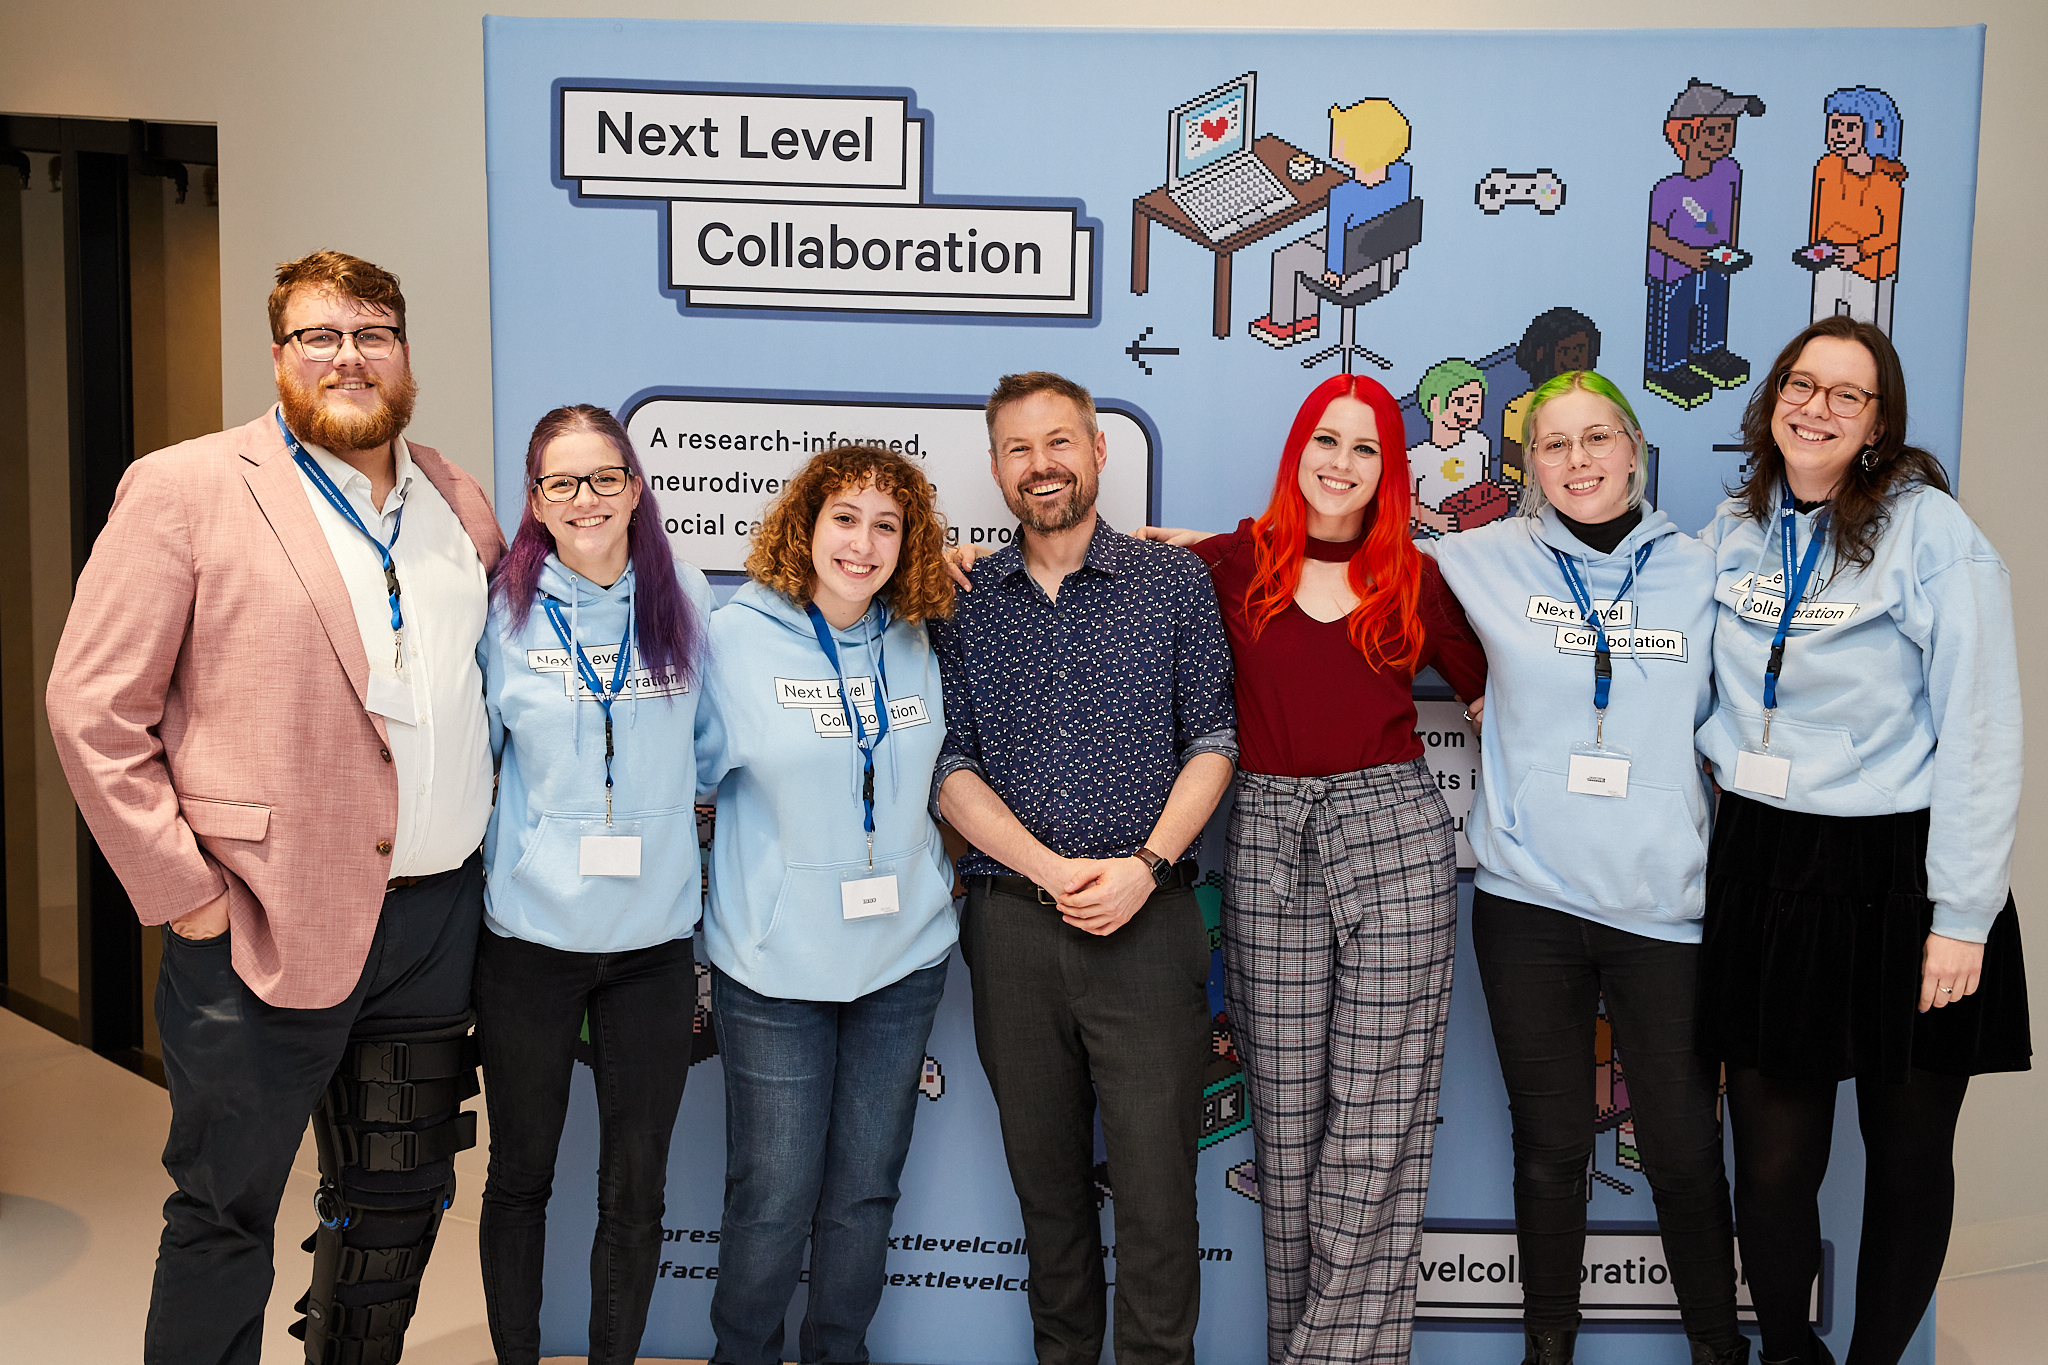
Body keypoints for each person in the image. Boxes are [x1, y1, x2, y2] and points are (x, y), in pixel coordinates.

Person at [46, 250, 503, 1365]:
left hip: (433, 921)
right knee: (223, 1211)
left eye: (372, 333)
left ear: (403, 351)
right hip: (257, 918)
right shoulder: (188, 486)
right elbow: (91, 708)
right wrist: (185, 895)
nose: (349, 356)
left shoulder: (452, 495)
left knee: (394, 1207)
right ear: (279, 356)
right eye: (320, 336)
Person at [1694, 316, 2032, 1365]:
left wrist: (1962, 919)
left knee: (1906, 1153)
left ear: (1879, 421)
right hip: (1762, 863)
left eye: (1848, 394)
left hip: (1903, 872)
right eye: (1802, 384)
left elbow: (1980, 727)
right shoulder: (1731, 528)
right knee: (1771, 1165)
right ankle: (1790, 1351)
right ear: (1771, 400)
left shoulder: (1930, 531)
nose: (1817, 408)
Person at [1135, 373, 1486, 1364]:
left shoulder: (1412, 577)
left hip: (1394, 836)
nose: (1341, 464)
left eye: (1365, 448)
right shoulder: (1228, 562)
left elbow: (1501, 686)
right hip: (1263, 837)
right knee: (1286, 1124)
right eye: (1324, 443)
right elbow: (1106, 577)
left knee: (1378, 1121)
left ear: (1388, 469)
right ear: (1297, 453)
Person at [1429, 370, 1744, 1365]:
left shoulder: (1702, 569)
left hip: (1664, 907)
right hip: (1527, 903)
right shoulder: (1477, 559)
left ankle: (1714, 1347)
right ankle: (1547, 1351)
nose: (1577, 461)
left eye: (1596, 438)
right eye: (1553, 445)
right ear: (1527, 465)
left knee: (1687, 1153)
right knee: (1550, 1149)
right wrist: (1189, 552)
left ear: (1635, 447)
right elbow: (1332, 558)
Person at [932, 372, 1237, 1365]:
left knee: (1155, 1196)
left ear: (1099, 451)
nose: (1040, 465)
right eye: (1017, 450)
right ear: (993, 469)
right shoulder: (960, 600)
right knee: (1047, 1197)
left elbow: (1214, 740)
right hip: (1011, 927)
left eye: (1058, 442)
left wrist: (1144, 866)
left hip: (1148, 926)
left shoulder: (1171, 583)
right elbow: (950, 765)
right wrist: (1049, 870)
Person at [695, 444, 960, 1365]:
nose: (864, 542)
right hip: (774, 967)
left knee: (864, 1190)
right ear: (805, 526)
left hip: (902, 959)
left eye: (888, 524)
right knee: (772, 1191)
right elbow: (679, 773)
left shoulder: (923, 634)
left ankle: (837, 1353)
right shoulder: (732, 639)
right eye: (845, 517)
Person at [473, 404, 712, 1364]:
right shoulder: (503, 609)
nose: (586, 499)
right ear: (535, 499)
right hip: (531, 942)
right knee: (521, 1174)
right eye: (562, 482)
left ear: (636, 486)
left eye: (604, 477)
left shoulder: (683, 594)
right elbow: (477, 762)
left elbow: (712, 754)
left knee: (636, 1186)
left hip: (652, 946)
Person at [1248, 98, 1414, 350]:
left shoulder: (1344, 196)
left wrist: (1334, 272)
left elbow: (1337, 242)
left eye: (1341, 137)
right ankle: (1305, 319)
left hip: (1349, 275)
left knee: (1287, 256)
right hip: (1386, 264)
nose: (1334, 140)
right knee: (1313, 241)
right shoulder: (1401, 174)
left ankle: (1287, 325)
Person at [1643, 79, 1765, 410]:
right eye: (1713, 130)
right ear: (1685, 134)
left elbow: (1732, 207)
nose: (1723, 138)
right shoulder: (1668, 188)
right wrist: (1685, 254)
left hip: (1715, 263)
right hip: (1673, 271)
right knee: (1675, 315)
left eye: (1728, 129)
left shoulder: (1729, 171)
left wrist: (1730, 247)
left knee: (1713, 306)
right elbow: (1653, 235)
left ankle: (1709, 351)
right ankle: (1666, 369)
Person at [1805, 87, 1907, 334]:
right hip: (1829, 264)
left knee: (1869, 335)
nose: (1840, 133)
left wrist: (1860, 251)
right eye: (1835, 125)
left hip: (1871, 271)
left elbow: (1890, 235)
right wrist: (1818, 249)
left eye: (1850, 127)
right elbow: (1819, 216)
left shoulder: (1888, 178)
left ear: (1875, 129)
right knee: (1821, 328)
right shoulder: (1826, 167)